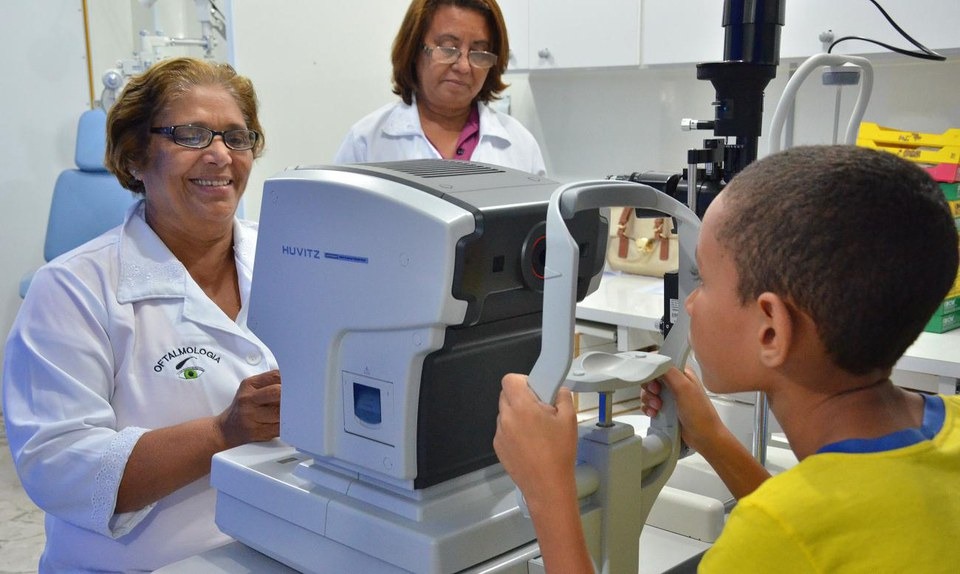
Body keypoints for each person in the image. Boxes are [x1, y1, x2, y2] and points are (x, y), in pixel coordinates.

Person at [493, 145, 960, 573]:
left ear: (771, 329)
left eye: (704, 280)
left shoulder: (765, 541)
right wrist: (713, 438)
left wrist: (548, 491)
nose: (691, 302)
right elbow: (824, 535)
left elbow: (793, 539)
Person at [2, 57, 281, 573]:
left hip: (287, 550)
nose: (220, 154)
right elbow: (59, 468)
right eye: (191, 135)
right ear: (134, 157)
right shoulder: (71, 289)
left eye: (236, 137)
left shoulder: (290, 258)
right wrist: (223, 431)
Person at [333, 0, 546, 175]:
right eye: (448, 48)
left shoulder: (521, 146)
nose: (464, 67)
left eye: (479, 52)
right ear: (414, 51)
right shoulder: (366, 143)